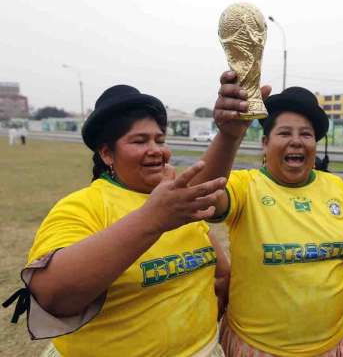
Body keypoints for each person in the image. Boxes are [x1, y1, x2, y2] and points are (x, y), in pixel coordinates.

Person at [3, 85, 229, 357]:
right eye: (139, 141)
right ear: (107, 153)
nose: (156, 150)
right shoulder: (84, 206)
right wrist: (154, 218)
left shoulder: (175, 199)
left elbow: (220, 272)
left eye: (159, 139)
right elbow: (53, 296)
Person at [192, 71, 343, 356]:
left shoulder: (336, 188)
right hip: (257, 347)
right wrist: (229, 136)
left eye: (306, 134)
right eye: (284, 133)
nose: (297, 141)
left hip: (334, 345)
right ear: (265, 144)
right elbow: (201, 196)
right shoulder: (246, 185)